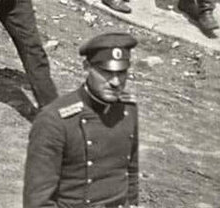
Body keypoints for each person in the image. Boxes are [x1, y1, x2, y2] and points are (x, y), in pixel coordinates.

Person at [23, 32, 139, 208]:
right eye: (106, 72)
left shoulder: (127, 109)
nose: (115, 82)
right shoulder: (55, 120)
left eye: (121, 72)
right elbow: (38, 200)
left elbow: (131, 173)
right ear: (86, 67)